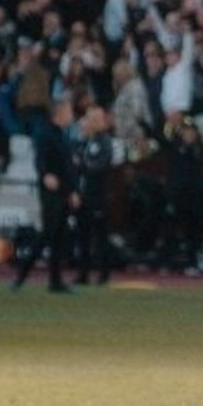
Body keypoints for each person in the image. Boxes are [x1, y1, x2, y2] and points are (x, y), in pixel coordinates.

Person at [12, 101, 79, 293]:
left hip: (63, 190)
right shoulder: (46, 134)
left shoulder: (62, 135)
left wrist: (73, 191)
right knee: (48, 233)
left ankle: (55, 281)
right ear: (59, 114)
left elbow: (68, 167)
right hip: (51, 192)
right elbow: (40, 160)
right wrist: (45, 175)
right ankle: (22, 275)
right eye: (68, 112)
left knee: (58, 236)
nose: (71, 115)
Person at [75, 106, 115, 286]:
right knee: (83, 235)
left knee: (100, 236)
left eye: (95, 119)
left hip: (98, 195)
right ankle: (83, 274)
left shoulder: (105, 142)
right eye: (89, 119)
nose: (91, 123)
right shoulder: (84, 141)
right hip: (83, 194)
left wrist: (82, 164)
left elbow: (100, 166)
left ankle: (104, 273)